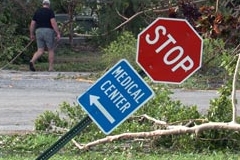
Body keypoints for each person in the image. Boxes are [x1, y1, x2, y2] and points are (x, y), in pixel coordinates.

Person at [29, 0, 60, 71]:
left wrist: (31, 34)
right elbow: (53, 23)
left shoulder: (37, 12)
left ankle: (32, 61)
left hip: (38, 31)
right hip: (48, 31)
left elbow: (32, 24)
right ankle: (51, 68)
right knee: (51, 50)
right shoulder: (50, 11)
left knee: (40, 50)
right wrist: (57, 33)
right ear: (49, 5)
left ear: (43, 4)